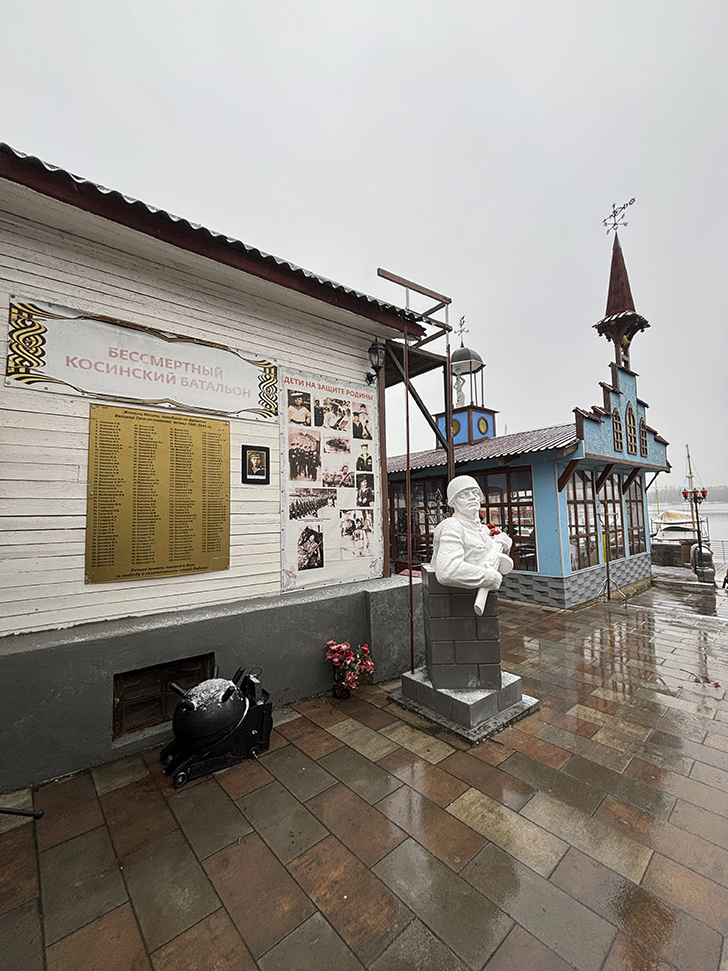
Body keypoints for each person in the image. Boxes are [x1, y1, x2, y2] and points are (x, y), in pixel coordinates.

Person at [432, 475, 514, 615]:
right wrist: (488, 577)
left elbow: (490, 560)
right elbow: (447, 571)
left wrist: (503, 547)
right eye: (464, 494)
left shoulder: (484, 530)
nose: (472, 497)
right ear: (453, 502)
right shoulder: (452, 527)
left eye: (475, 493)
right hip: (455, 604)